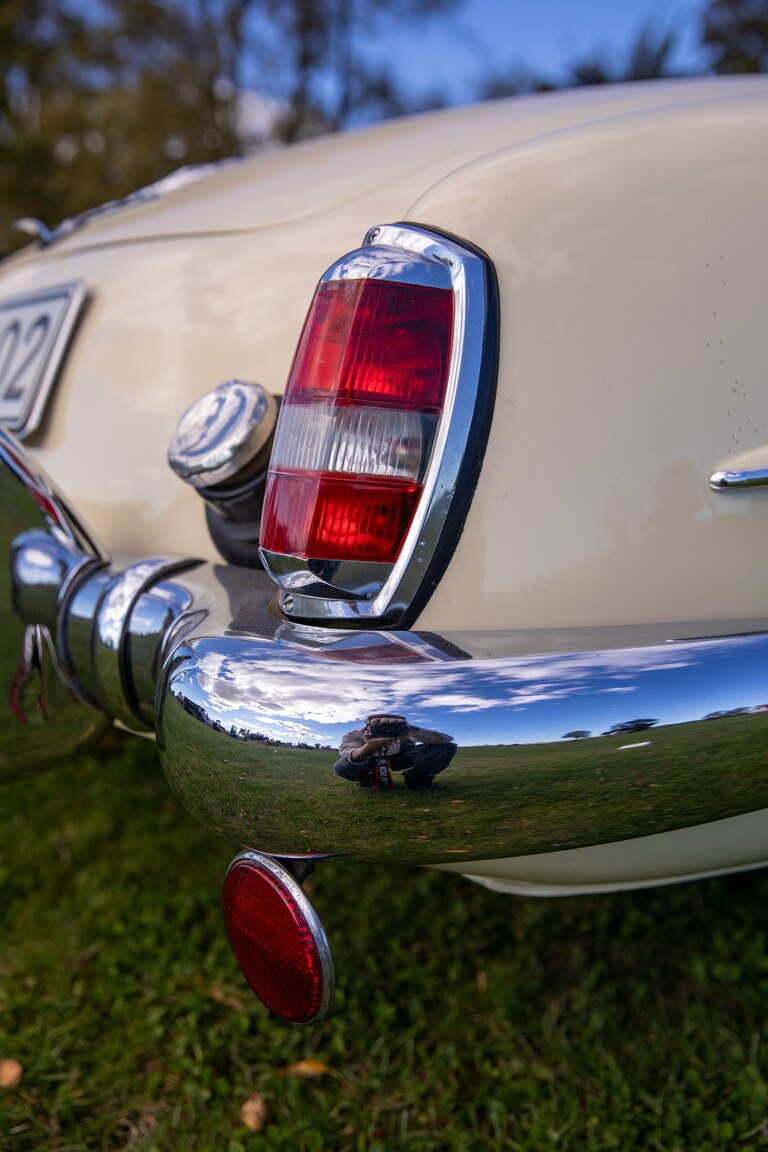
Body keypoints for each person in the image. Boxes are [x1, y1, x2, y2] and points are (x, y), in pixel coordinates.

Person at [333, 713, 456, 790]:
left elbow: (446, 739)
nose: (387, 729)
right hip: (369, 761)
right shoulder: (354, 735)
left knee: (446, 747)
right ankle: (367, 780)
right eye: (378, 723)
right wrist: (369, 747)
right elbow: (351, 754)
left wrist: (412, 730)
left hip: (401, 758)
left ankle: (417, 779)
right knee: (341, 766)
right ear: (367, 724)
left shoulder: (407, 732)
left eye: (392, 724)